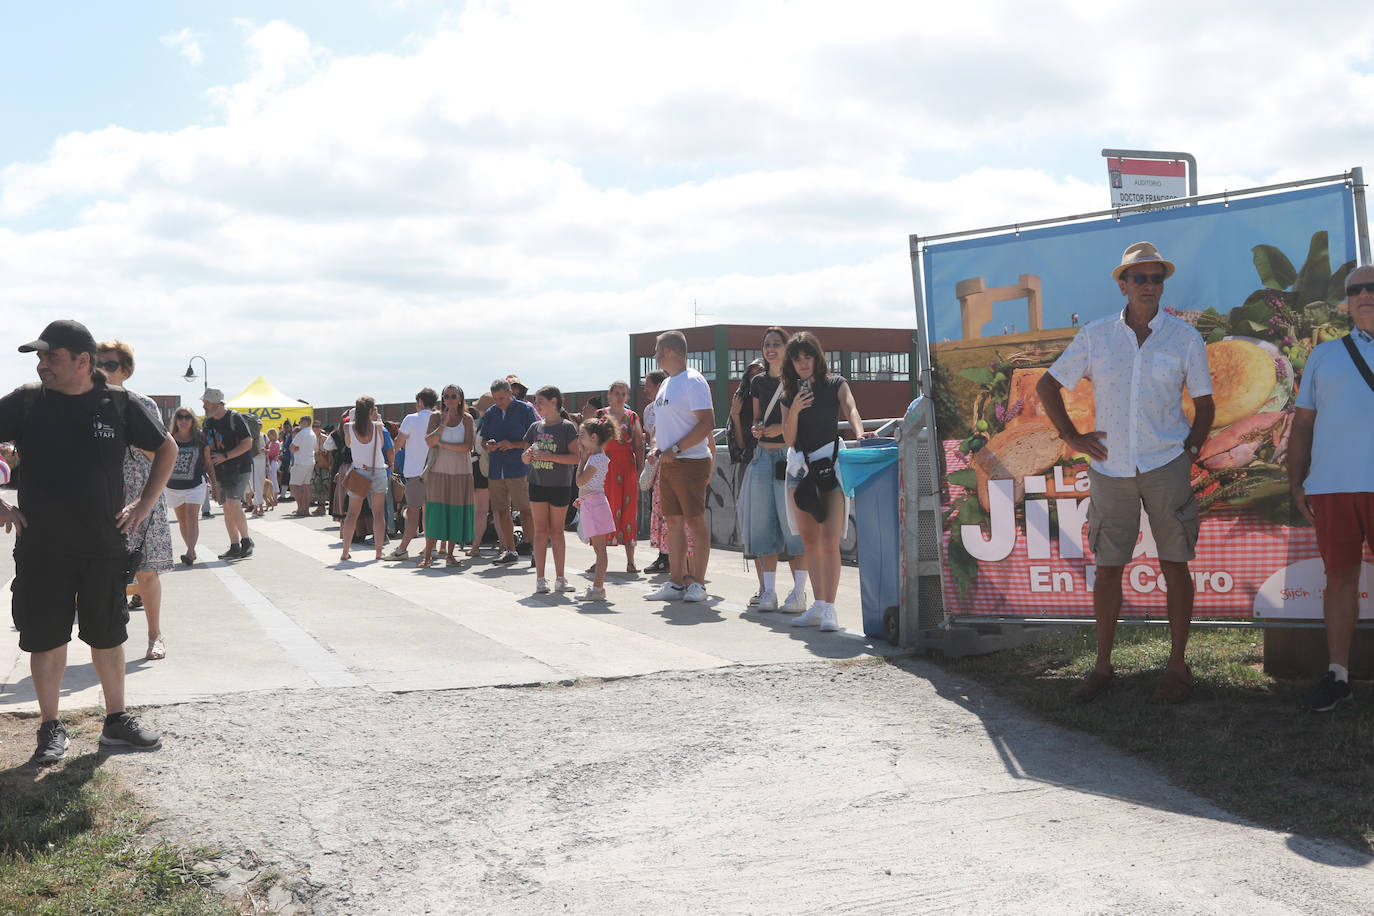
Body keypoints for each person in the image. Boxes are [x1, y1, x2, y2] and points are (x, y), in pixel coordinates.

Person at [1036, 241, 1215, 704]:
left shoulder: (1184, 337)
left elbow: (1206, 403)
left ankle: (1177, 666)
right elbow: (1048, 385)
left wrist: (1191, 450)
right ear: (1123, 284)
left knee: (1175, 564)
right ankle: (1102, 667)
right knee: (1108, 567)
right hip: (1109, 467)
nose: (1150, 286)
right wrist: (1072, 438)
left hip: (1165, 463)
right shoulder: (1096, 336)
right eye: (1141, 278)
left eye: (1157, 279)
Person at [0, 319, 174, 763]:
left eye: (50, 356)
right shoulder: (24, 403)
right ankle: (50, 727)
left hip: (104, 544)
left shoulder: (117, 404)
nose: (42, 365)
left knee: (109, 634)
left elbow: (166, 448)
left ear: (82, 361)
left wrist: (144, 503)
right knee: (45, 638)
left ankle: (116, 722)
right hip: (42, 545)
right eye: (39, 357)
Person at [1290, 265, 1374, 711]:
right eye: (1356, 289)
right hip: (1333, 488)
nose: (1365, 294)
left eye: (1372, 287)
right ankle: (1337, 675)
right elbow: (1302, 426)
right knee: (1338, 579)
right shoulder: (1324, 355)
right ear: (1348, 301)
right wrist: (1296, 482)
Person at [781, 331, 872, 631]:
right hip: (800, 472)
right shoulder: (788, 393)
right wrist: (793, 408)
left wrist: (859, 433)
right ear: (791, 364)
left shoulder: (835, 383)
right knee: (810, 541)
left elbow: (851, 407)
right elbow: (789, 438)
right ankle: (818, 606)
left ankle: (830, 608)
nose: (803, 364)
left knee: (830, 538)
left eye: (808, 357)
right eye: (797, 360)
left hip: (830, 469)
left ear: (817, 358)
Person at [96, 341, 175, 661]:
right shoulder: (88, 405)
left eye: (111, 365)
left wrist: (129, 435)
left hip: (144, 500)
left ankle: (155, 635)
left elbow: (162, 452)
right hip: (103, 501)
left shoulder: (142, 405)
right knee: (103, 574)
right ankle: (109, 641)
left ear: (126, 371)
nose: (102, 370)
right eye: (98, 364)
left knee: (147, 573)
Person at [645, 330, 716, 603]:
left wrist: (675, 448)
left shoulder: (693, 381)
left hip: (691, 462)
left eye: (657, 350)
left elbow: (707, 423)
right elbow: (658, 427)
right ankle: (675, 582)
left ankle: (698, 584)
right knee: (673, 523)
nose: (654, 356)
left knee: (695, 523)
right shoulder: (666, 384)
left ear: (669, 352)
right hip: (669, 464)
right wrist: (656, 448)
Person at [746, 328, 810, 613]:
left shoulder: (796, 381)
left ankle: (799, 593)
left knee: (793, 528)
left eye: (776, 344)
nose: (771, 349)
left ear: (786, 348)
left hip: (789, 458)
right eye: (767, 344)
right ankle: (768, 591)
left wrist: (777, 430)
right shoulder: (758, 382)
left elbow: (802, 426)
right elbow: (758, 419)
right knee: (763, 526)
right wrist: (757, 428)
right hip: (762, 457)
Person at [522, 385, 580, 592]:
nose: (537, 406)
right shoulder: (535, 427)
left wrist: (550, 456)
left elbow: (576, 457)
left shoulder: (567, 427)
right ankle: (540, 579)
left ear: (554, 402)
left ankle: (560, 578)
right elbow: (524, 457)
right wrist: (528, 455)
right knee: (540, 531)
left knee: (557, 531)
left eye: (541, 402)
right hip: (537, 483)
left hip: (560, 485)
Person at [482, 379, 538, 566]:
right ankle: (510, 550)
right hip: (497, 469)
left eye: (502, 398)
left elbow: (535, 439)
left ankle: (533, 549)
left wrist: (513, 445)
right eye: (495, 399)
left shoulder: (525, 410)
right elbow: (483, 440)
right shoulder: (491, 413)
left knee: (526, 510)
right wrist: (488, 445)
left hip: (519, 468)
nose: (499, 402)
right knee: (501, 510)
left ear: (510, 393)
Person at [419, 385, 475, 568]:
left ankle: (450, 555)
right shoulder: (436, 417)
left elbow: (467, 447)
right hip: (438, 472)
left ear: (460, 398)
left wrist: (442, 443)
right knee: (434, 512)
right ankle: (428, 556)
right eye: (446, 396)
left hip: (461, 472)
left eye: (453, 396)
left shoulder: (467, 419)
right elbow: (428, 441)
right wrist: (444, 422)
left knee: (456, 512)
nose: (449, 399)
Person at [595, 381, 644, 573]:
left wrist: (640, 469)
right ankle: (599, 560)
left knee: (628, 510)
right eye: (617, 393)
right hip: (605, 466)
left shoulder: (632, 417)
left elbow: (639, 445)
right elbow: (591, 442)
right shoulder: (600, 416)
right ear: (610, 394)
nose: (620, 397)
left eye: (623, 394)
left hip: (627, 467)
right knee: (604, 509)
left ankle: (630, 561)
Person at [338, 396, 394, 562]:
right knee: (378, 514)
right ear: (371, 411)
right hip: (377, 471)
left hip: (358, 473)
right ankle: (378, 551)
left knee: (351, 514)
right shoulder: (378, 428)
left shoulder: (348, 427)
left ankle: (345, 551)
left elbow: (348, 445)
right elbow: (383, 445)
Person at [202, 388, 255, 559]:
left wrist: (226, 456)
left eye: (206, 402)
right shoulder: (207, 422)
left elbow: (248, 443)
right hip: (221, 471)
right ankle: (234, 545)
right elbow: (208, 448)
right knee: (226, 507)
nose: (203, 405)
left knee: (233, 503)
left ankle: (246, 541)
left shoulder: (235, 418)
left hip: (240, 467)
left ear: (218, 404)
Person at [389, 388, 438, 560]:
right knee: (429, 511)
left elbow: (399, 442)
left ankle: (402, 549)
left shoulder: (411, 418)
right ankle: (431, 547)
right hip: (435, 472)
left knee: (412, 513)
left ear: (419, 402)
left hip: (415, 472)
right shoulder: (438, 418)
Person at [575, 416, 618, 601]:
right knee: (599, 549)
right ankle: (597, 588)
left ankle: (598, 589)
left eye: (582, 435)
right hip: (592, 503)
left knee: (600, 550)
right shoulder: (597, 457)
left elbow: (580, 481)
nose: (580, 439)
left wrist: (581, 459)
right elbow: (588, 485)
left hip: (595, 505)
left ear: (593, 437)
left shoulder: (596, 459)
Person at [165, 406, 213, 565]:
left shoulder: (200, 438)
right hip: (173, 487)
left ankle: (190, 551)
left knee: (192, 517)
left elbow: (208, 462)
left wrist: (215, 484)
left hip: (195, 485)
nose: (183, 420)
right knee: (182, 520)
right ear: (176, 419)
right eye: (180, 417)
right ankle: (190, 550)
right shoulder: (169, 438)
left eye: (187, 417)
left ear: (193, 420)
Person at [641, 369, 677, 574]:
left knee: (677, 513)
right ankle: (664, 557)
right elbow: (651, 437)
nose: (646, 389)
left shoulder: (675, 404)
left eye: (649, 385)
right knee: (658, 512)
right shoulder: (649, 410)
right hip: (658, 466)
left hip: (677, 462)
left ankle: (683, 559)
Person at [467, 392, 496, 558]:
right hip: (491, 468)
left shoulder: (479, 425)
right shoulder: (493, 424)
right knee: (497, 510)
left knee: (480, 511)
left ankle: (476, 545)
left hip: (479, 468)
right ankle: (505, 546)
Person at [288, 415, 318, 515]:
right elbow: (315, 449)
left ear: (305, 422)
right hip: (310, 461)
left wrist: (297, 449)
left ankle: (300, 508)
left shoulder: (301, 433)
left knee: (294, 485)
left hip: (301, 462)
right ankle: (306, 509)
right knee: (306, 486)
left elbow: (291, 447)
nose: (299, 423)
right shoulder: (312, 433)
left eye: (301, 421)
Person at [263, 427, 281, 510]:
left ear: (273, 435)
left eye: (269, 435)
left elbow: (271, 452)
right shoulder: (271, 443)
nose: (268, 437)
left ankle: (275, 498)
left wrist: (265, 450)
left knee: (273, 480)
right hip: (270, 462)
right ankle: (272, 498)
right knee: (271, 480)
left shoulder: (276, 443)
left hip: (273, 462)